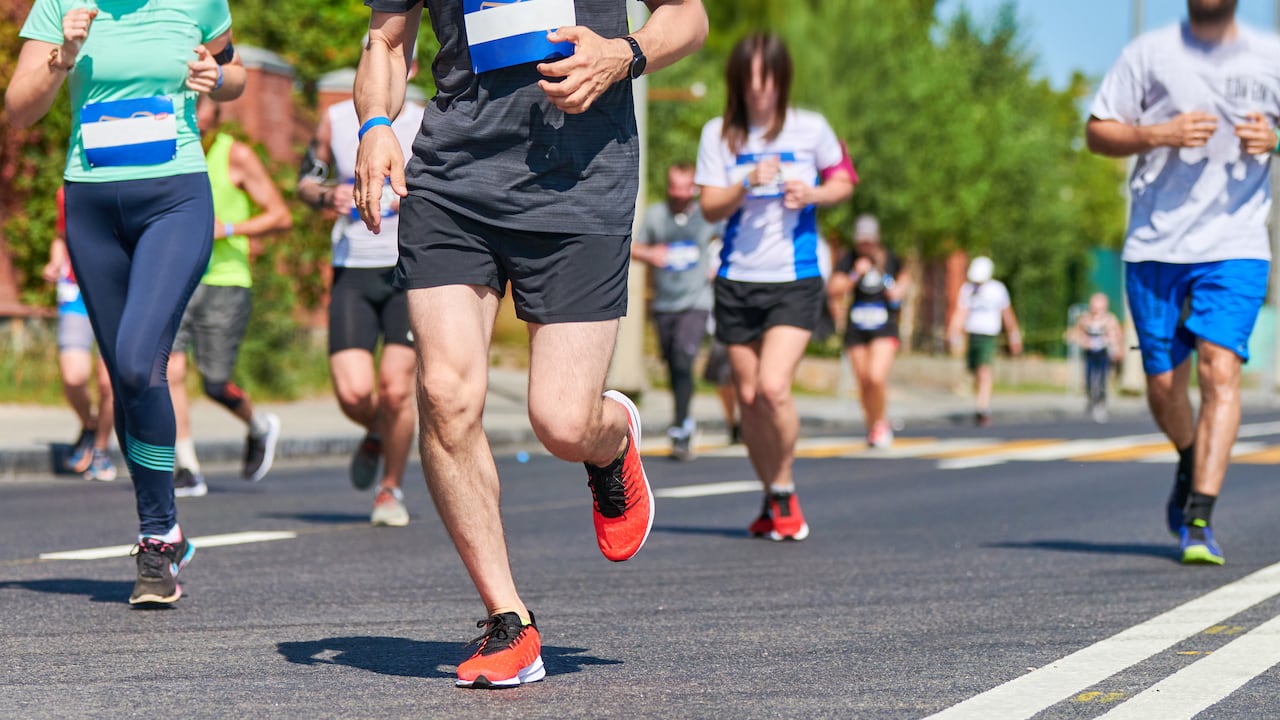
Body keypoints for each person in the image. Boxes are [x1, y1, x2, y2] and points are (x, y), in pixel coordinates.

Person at [354, 0, 706, 688]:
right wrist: (374, 125)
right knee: (445, 394)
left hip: (582, 183)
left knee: (561, 419)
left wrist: (624, 55)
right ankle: (507, 619)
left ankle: (610, 439)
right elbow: (386, 41)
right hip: (453, 181)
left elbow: (687, 17)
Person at [7, 0, 244, 605]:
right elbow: (19, 112)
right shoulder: (61, 5)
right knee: (126, 376)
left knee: (140, 360)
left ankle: (159, 533)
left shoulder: (198, 3)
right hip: (90, 207)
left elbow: (234, 72)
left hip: (176, 200)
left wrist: (218, 78)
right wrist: (62, 57)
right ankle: (160, 533)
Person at [1085, 0, 1279, 565]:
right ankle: (1190, 454)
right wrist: (1158, 133)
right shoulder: (1149, 52)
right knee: (1164, 386)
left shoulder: (1270, 55)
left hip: (1237, 246)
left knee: (1221, 368)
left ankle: (1199, 515)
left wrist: (1275, 142)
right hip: (1156, 244)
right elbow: (1097, 133)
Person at [695, 32, 856, 542]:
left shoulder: (812, 129)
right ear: (738, 84)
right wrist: (745, 183)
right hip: (737, 279)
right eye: (750, 82)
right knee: (746, 397)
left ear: (782, 82)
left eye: (768, 81)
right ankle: (772, 497)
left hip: (795, 277)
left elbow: (845, 179)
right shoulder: (718, 134)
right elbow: (708, 207)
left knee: (772, 387)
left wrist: (814, 191)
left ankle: (784, 488)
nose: (759, 92)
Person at [296, 68, 424, 527]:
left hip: (405, 267)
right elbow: (306, 180)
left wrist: (407, 199)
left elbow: (444, 186)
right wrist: (324, 195)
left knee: (394, 389)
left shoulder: (424, 120)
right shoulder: (334, 119)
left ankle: (389, 489)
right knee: (353, 392)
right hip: (352, 266)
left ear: (408, 71)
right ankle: (376, 430)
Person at [167, 96, 291, 498]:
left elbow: (279, 214)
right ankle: (186, 466)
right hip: (176, 277)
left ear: (216, 124)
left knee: (216, 383)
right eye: (192, 127)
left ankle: (258, 425)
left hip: (226, 280)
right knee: (170, 372)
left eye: (204, 129)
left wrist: (231, 228)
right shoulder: (169, 152)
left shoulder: (235, 156)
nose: (197, 135)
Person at [633, 162, 721, 460]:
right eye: (675, 188)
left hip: (696, 301)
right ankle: (683, 417)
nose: (680, 194)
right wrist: (650, 253)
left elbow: (730, 233)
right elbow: (634, 247)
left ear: (694, 188)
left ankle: (682, 427)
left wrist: (718, 261)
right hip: (664, 303)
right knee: (673, 363)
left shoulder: (706, 215)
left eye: (686, 188)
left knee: (684, 358)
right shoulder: (658, 215)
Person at [43, 186, 116, 482]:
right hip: (76, 292)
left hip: (116, 291)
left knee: (108, 384)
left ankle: (100, 449)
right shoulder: (66, 191)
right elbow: (61, 236)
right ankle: (89, 424)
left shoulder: (131, 183)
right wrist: (55, 261)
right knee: (73, 377)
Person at [827, 214, 909, 449]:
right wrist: (855, 274)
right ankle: (873, 425)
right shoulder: (849, 260)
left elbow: (903, 284)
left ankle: (881, 422)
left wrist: (893, 286)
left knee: (876, 376)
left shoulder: (889, 259)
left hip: (883, 326)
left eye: (869, 241)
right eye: (861, 241)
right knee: (863, 381)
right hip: (857, 327)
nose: (865, 246)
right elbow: (833, 289)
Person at [946, 256, 1022, 427]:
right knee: (975, 371)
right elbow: (961, 312)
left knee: (984, 371)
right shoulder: (967, 289)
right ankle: (980, 402)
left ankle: (983, 407)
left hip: (988, 335)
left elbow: (1007, 314)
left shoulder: (997, 289)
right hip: (972, 334)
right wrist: (953, 331)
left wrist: (1014, 335)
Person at [1064, 292, 1123, 424]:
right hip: (1090, 352)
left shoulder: (1109, 320)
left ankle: (1101, 401)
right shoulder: (1085, 319)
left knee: (1102, 377)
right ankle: (1091, 398)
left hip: (1103, 352)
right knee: (1089, 376)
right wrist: (1082, 341)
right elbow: (1076, 333)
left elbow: (1116, 336)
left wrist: (1117, 350)